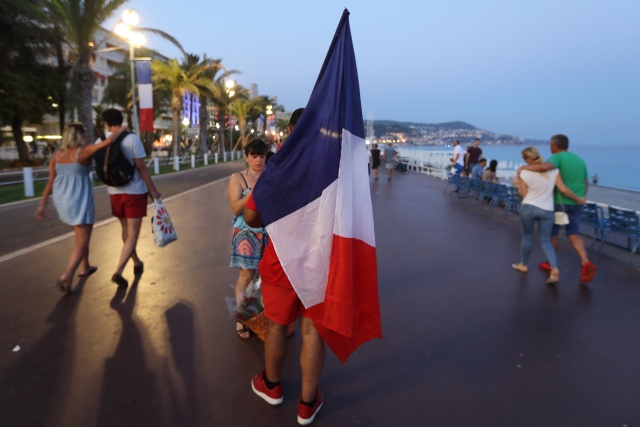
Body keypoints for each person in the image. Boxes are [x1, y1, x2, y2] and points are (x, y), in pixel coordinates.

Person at [243, 108, 325, 425]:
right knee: (312, 330)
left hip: (281, 265)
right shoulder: (334, 171)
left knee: (277, 325)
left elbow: (251, 218)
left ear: (290, 131)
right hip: (318, 265)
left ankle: (272, 386)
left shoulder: (277, 170)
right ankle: (307, 404)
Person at [36, 123, 122, 292]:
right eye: (85, 134)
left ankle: (86, 266)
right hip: (79, 201)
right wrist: (120, 130)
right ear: (79, 136)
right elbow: (108, 143)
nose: (87, 137)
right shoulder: (84, 151)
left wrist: (42, 205)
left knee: (80, 237)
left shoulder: (57, 156)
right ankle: (67, 275)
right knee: (82, 241)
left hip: (62, 201)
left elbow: (50, 181)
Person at [518, 134, 596, 284]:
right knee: (573, 233)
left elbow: (545, 167)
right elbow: (586, 182)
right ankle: (585, 262)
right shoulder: (580, 160)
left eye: (550, 145)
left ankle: (550, 264)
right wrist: (579, 198)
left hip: (559, 203)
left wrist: (524, 167)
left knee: (551, 235)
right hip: (577, 202)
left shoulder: (556, 158)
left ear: (554, 146)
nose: (549, 147)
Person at [99, 108, 161, 288]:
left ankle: (136, 261)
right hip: (133, 191)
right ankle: (118, 271)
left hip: (114, 191)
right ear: (121, 120)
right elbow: (141, 167)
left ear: (106, 123)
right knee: (133, 234)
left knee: (125, 230)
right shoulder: (131, 139)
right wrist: (153, 191)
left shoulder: (101, 140)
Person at [227, 138, 268, 338]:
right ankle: (242, 318)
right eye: (254, 156)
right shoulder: (238, 179)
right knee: (246, 276)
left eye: (262, 156)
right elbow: (235, 208)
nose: (258, 160)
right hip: (245, 234)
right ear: (246, 157)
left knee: (268, 277)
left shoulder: (271, 175)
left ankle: (262, 316)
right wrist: (255, 193)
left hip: (269, 232)